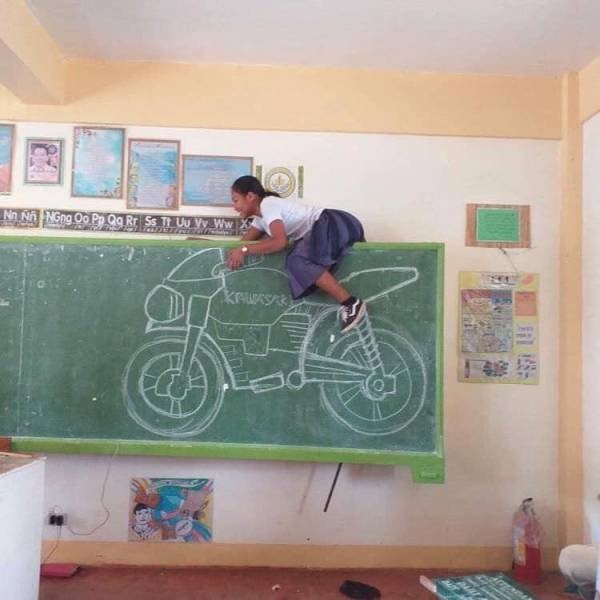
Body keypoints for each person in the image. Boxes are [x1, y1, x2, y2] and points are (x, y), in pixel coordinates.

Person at [226, 175, 366, 333]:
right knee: (300, 265)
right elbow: (240, 244)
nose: (234, 207)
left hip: (332, 223)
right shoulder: (260, 220)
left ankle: (350, 303)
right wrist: (212, 245)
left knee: (296, 260)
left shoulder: (268, 204)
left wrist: (244, 250)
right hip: (331, 227)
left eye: (236, 200)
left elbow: (280, 242)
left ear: (250, 196)